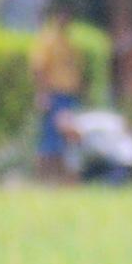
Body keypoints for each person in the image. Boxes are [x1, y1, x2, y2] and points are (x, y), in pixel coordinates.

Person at [31, 10, 88, 176]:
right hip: (54, 95)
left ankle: (61, 180)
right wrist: (43, 93)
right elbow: (38, 68)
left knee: (67, 142)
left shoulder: (69, 41)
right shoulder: (48, 40)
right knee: (49, 140)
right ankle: (42, 178)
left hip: (69, 96)